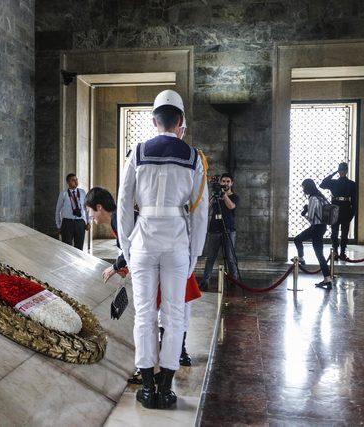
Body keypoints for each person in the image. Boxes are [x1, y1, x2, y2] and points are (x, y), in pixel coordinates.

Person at [117, 89, 209, 409]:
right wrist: (194, 253)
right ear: (180, 120)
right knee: (174, 314)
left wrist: (127, 245)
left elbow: (124, 203)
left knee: (144, 314)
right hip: (176, 242)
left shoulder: (137, 152)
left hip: (143, 239)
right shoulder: (194, 157)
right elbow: (200, 211)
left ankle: (147, 387)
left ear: (154, 120)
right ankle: (166, 388)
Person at [84, 186, 196, 388]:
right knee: (159, 318)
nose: (91, 217)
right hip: (166, 266)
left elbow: (136, 247)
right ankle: (157, 369)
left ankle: (154, 371)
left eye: (91, 211)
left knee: (151, 319)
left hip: (162, 271)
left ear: (99, 207)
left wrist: (116, 266)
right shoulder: (122, 216)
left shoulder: (121, 218)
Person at [199, 173, 239, 290]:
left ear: (231, 183)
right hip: (214, 230)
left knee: (230, 258)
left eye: (228, 181)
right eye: (223, 181)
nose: (225, 183)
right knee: (210, 257)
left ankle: (234, 281)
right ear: (220, 182)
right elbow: (206, 208)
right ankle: (205, 281)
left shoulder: (234, 196)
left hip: (229, 230)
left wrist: (224, 195)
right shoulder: (215, 196)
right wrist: (214, 196)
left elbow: (231, 207)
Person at [295, 179, 333, 290]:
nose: (303, 190)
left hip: (316, 228)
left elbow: (311, 218)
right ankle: (327, 279)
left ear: (307, 187)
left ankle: (301, 259)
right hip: (323, 227)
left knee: (297, 239)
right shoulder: (321, 197)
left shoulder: (312, 198)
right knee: (319, 255)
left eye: (303, 187)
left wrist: (304, 213)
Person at [320, 162, 356, 261]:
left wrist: (352, 213)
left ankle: (343, 252)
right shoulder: (333, 182)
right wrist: (333, 174)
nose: (342, 172)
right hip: (335, 209)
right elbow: (322, 184)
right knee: (334, 232)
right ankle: (335, 251)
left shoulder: (352, 184)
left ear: (347, 171)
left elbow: (354, 200)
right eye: (340, 170)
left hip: (346, 209)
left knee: (344, 233)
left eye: (344, 170)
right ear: (338, 171)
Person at [55, 173, 90, 250]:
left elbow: (86, 208)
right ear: (68, 182)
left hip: (80, 222)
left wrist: (88, 222)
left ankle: (78, 262)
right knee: (67, 247)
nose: (76, 181)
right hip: (67, 223)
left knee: (79, 247)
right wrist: (58, 225)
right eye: (73, 180)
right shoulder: (63, 194)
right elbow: (58, 210)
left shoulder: (82, 192)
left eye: (76, 179)